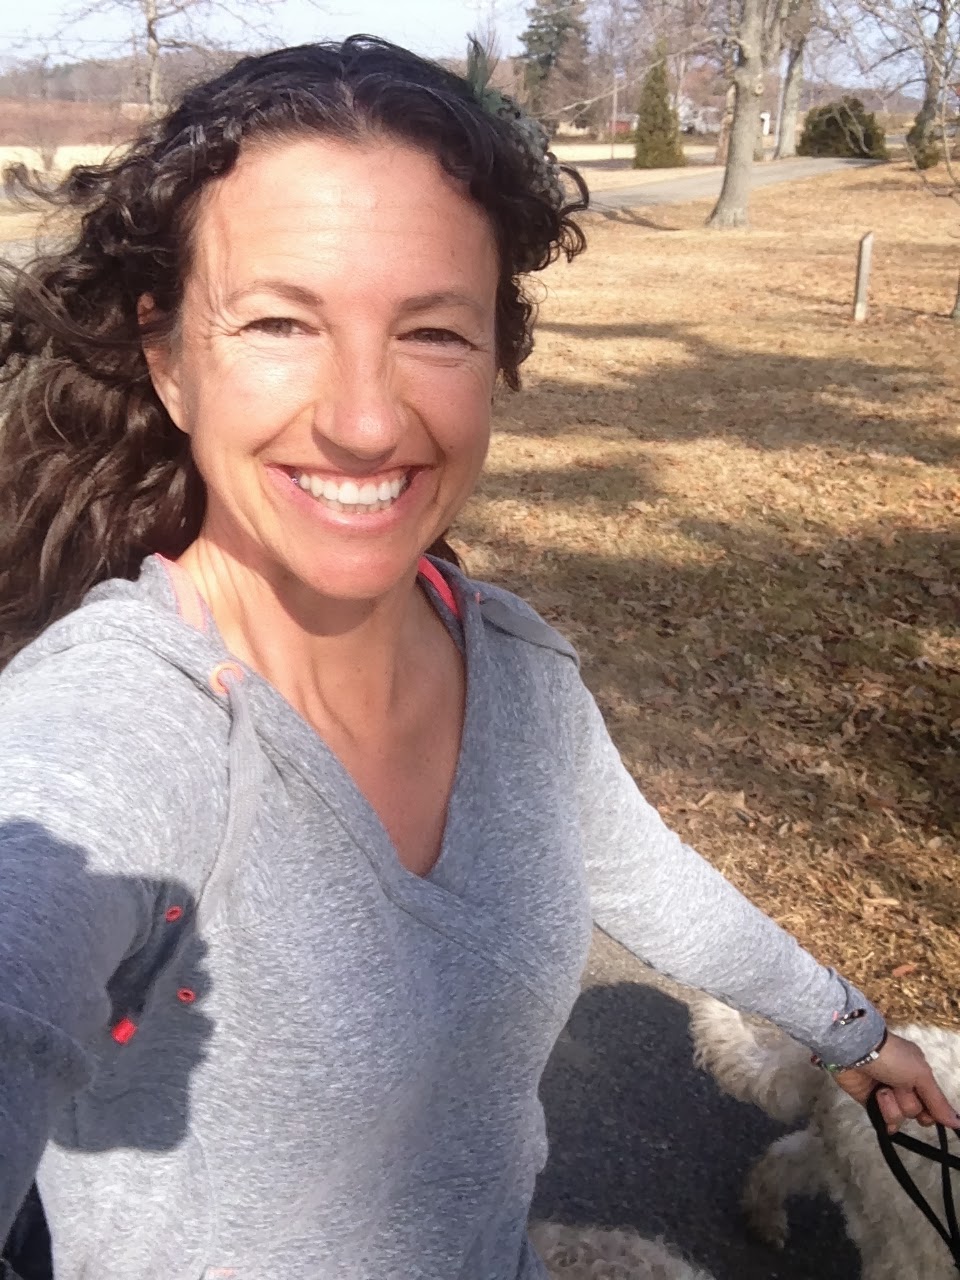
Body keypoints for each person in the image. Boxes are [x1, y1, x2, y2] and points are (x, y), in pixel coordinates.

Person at [0, 36, 954, 1280]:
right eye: (280, 320)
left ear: (499, 356)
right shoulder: (110, 734)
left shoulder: (513, 663)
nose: (364, 419)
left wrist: (852, 1033)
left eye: (434, 332)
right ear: (170, 358)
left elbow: (645, 874)